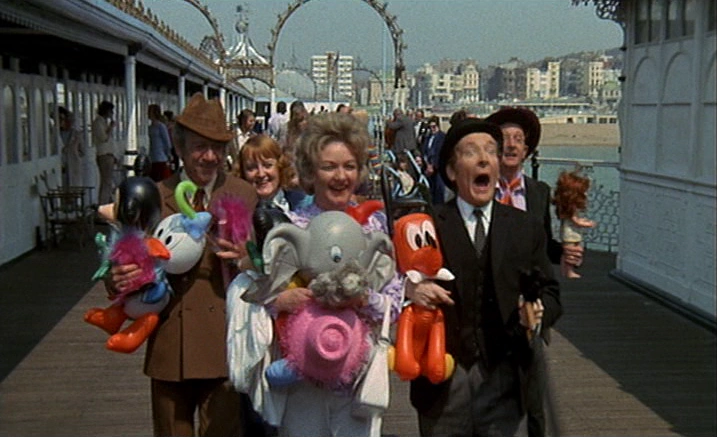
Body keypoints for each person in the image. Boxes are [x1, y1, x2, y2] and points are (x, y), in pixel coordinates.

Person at [106, 92, 258, 437]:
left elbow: (266, 265)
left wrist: (246, 258)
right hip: (171, 343)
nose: (210, 156)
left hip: (225, 340)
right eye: (200, 147)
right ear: (179, 146)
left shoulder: (243, 194)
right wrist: (118, 278)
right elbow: (120, 261)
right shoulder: (153, 195)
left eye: (217, 147)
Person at [405, 118, 562, 437]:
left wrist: (538, 312)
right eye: (471, 152)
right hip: (443, 378)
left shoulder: (525, 227)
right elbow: (393, 283)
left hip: (506, 379)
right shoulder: (427, 226)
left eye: (491, 151)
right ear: (452, 171)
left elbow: (551, 292)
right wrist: (411, 289)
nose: (484, 159)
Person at [264, 112, 403, 437]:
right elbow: (260, 297)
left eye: (349, 166)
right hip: (302, 382)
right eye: (329, 167)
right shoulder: (293, 226)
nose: (341, 176)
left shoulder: (375, 228)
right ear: (311, 172)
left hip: (357, 381)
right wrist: (282, 300)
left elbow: (394, 302)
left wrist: (365, 299)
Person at [485, 106, 569, 437]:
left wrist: (567, 252)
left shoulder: (538, 192)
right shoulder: (480, 189)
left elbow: (543, 246)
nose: (511, 144)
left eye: (518, 139)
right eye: (504, 138)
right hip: (491, 308)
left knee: (534, 398)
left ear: (527, 149)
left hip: (530, 308)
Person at [235, 134, 306, 213]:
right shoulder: (236, 213)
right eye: (251, 168)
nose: (261, 174)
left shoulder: (301, 204)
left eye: (267, 165)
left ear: (280, 166)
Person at [553, 170, 595, 279]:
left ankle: (566, 270)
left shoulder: (569, 207)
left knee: (567, 252)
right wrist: (586, 224)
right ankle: (569, 271)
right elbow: (575, 220)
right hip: (570, 233)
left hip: (571, 232)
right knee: (570, 253)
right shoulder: (570, 208)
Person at [92, 100, 118, 204]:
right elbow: (103, 138)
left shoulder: (103, 122)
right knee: (106, 182)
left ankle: (108, 201)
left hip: (108, 154)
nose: (112, 114)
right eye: (111, 111)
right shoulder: (98, 123)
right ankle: (103, 203)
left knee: (108, 181)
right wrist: (110, 128)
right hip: (104, 155)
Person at [422, 115, 446, 204]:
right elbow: (424, 150)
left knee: (439, 191)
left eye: (434, 127)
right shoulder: (428, 137)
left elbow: (440, 152)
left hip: (438, 168)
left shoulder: (442, 137)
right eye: (430, 127)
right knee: (430, 191)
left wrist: (433, 165)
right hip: (428, 167)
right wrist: (427, 164)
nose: (432, 129)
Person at [59, 107, 85, 188]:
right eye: (64, 120)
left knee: (74, 188)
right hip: (60, 165)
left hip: (73, 165)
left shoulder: (76, 134)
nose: (68, 122)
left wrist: (75, 153)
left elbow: (82, 151)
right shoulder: (55, 134)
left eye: (70, 120)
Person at [147, 104, 173, 182]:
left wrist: (168, 154)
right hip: (152, 157)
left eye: (150, 112)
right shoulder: (150, 127)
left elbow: (167, 141)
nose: (148, 113)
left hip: (161, 157)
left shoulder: (161, 126)